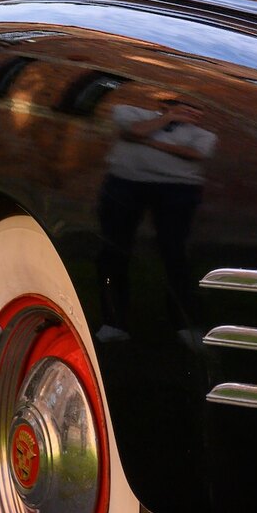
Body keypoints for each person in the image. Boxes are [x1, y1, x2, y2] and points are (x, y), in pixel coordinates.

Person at [96, 95, 218, 340]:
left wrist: (145, 141)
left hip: (178, 190)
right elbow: (133, 129)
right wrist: (167, 119)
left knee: (175, 252)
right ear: (164, 105)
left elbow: (194, 153)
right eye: (186, 107)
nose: (192, 113)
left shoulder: (203, 133)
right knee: (114, 249)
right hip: (124, 184)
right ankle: (114, 323)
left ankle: (185, 325)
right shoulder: (128, 110)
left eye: (197, 109)